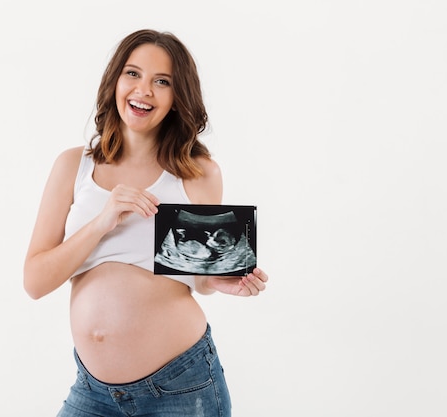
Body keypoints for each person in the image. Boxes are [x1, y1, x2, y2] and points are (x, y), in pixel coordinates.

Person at [23, 29, 269, 416]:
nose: (144, 90)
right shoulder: (73, 166)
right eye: (133, 74)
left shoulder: (197, 173)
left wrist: (218, 281)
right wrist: (103, 221)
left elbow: (199, 280)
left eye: (162, 81)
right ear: (115, 81)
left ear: (176, 98)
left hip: (182, 387)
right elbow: (35, 282)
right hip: (93, 391)